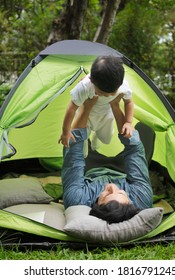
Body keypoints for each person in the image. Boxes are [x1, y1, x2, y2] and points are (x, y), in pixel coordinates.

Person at [61, 95, 153, 224]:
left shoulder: (78, 199)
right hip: (124, 171)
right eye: (121, 193)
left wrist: (87, 107)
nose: (112, 187)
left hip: (91, 169)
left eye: (106, 195)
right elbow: (134, 150)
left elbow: (73, 156)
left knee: (75, 141)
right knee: (146, 130)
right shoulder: (141, 198)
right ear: (129, 201)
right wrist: (115, 105)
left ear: (96, 205)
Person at [58, 55, 134, 152]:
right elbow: (72, 108)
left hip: (105, 115)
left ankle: (96, 137)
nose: (107, 96)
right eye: (102, 93)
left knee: (106, 139)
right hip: (86, 116)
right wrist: (65, 132)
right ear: (92, 81)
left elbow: (129, 102)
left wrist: (128, 122)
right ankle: (85, 141)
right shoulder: (85, 86)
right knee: (81, 142)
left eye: (112, 93)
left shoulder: (123, 86)